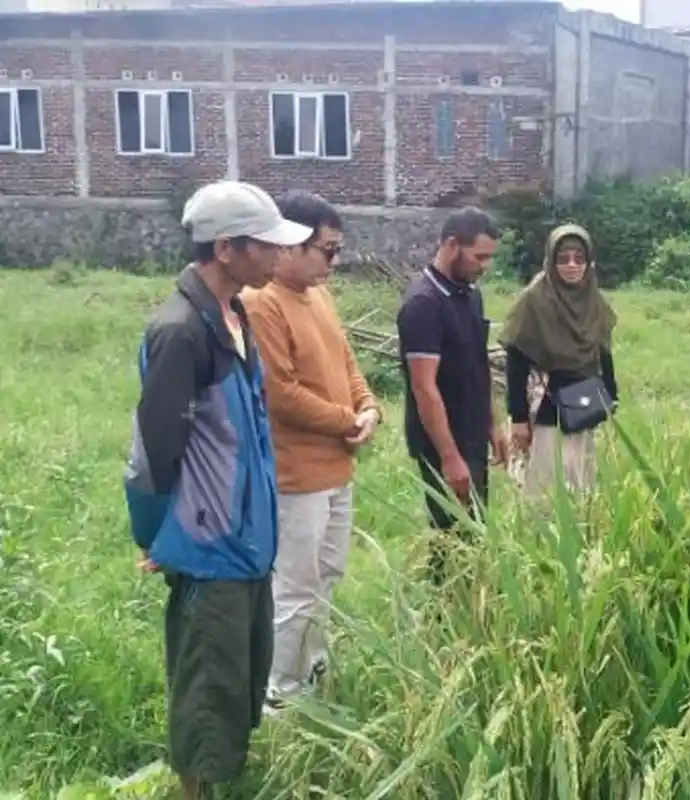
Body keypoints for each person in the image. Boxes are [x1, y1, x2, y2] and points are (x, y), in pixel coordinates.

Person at [123, 180, 311, 799]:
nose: (278, 255)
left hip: (247, 539)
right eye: (266, 245)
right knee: (206, 689)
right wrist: (155, 535)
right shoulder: (181, 332)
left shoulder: (234, 316)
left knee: (237, 681)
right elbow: (154, 451)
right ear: (226, 248)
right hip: (209, 545)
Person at [240, 190, 382, 711]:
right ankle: (279, 694)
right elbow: (280, 393)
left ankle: (312, 677)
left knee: (328, 576)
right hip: (296, 474)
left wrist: (369, 406)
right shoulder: (262, 302)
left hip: (337, 468)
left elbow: (346, 361)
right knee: (296, 585)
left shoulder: (318, 294)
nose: (333, 262)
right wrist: (348, 419)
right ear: (289, 245)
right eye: (328, 250)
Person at [396, 206, 508, 584]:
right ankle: (443, 612)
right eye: (479, 257)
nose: (485, 266)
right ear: (451, 244)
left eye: (489, 258)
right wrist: (449, 457)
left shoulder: (469, 295)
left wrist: (492, 423)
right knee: (450, 540)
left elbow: (478, 363)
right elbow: (424, 386)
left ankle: (470, 608)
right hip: (443, 442)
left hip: (472, 435)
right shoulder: (424, 304)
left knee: (474, 534)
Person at [499, 223, 618, 498]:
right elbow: (516, 360)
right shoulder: (534, 299)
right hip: (546, 403)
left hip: (585, 400)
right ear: (551, 261)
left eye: (579, 258)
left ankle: (581, 525)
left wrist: (611, 395)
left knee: (581, 481)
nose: (572, 265)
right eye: (563, 259)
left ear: (589, 262)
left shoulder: (593, 298)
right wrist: (518, 418)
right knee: (544, 486)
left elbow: (603, 349)